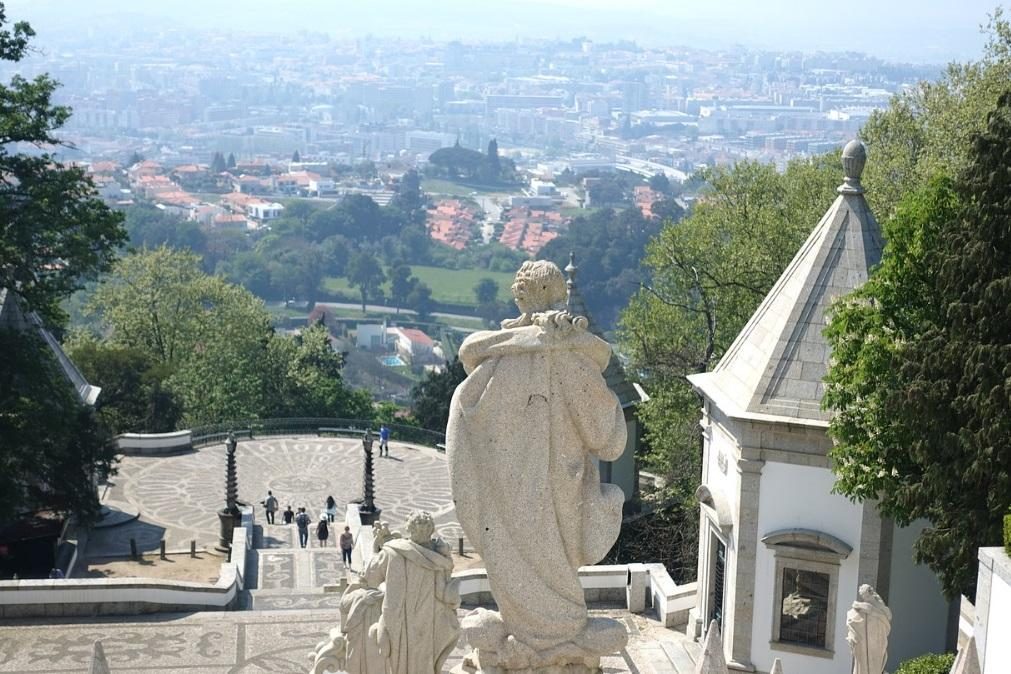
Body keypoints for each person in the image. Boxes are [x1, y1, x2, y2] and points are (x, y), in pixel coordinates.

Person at [446, 259, 627, 657]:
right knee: (529, 554)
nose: (517, 292)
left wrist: (566, 341)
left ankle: (552, 639)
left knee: (547, 554)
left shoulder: (562, 351)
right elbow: (468, 352)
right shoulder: (520, 349)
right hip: (529, 487)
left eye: (525, 287)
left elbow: (605, 420)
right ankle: (553, 640)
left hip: (553, 482)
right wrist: (538, 339)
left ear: (538, 293)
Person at [365, 511, 460, 674]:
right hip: (428, 622)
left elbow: (371, 577)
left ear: (409, 528)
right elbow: (444, 595)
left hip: (397, 621)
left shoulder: (392, 551)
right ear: (431, 530)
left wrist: (376, 546)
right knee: (424, 662)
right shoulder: (437, 559)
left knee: (399, 664)